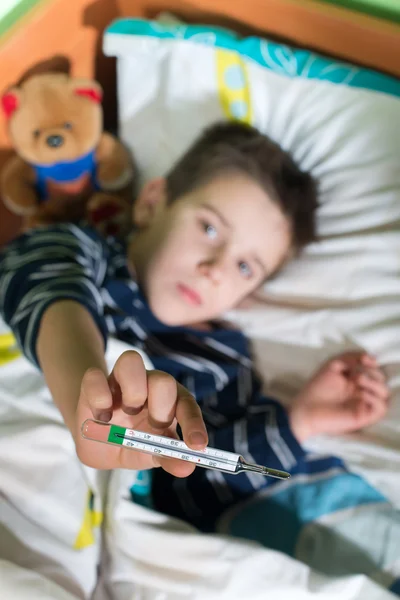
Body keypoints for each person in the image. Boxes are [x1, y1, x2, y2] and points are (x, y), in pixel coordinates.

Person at [0, 122, 389, 531]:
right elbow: (44, 286)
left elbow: (196, 491)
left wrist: (301, 422)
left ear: (250, 292)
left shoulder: (225, 364)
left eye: (244, 267)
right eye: (209, 228)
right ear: (152, 202)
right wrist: (87, 400)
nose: (215, 269)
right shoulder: (84, 252)